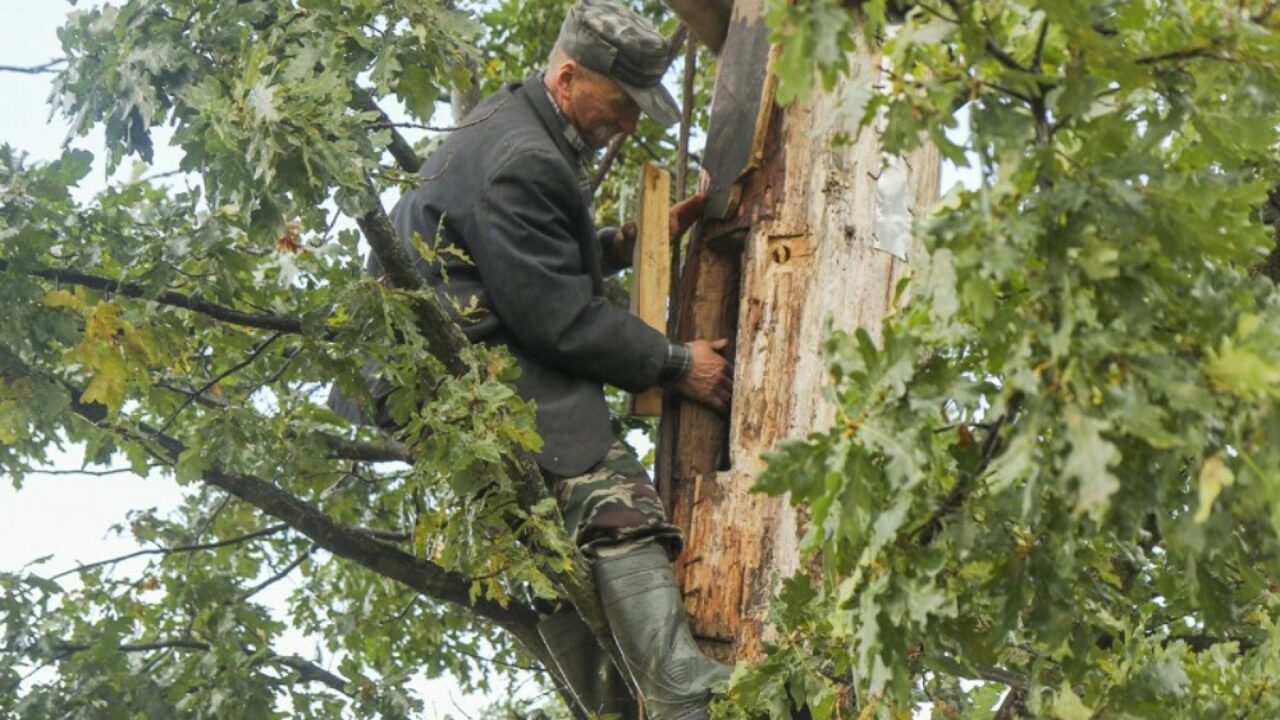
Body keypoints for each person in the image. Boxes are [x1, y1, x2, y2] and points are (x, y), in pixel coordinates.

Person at [331, 1, 734, 717]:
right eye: (622, 104)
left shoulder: (513, 119)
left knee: (550, 549)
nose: (631, 124)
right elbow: (558, 320)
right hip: (462, 365)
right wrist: (676, 364)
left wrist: (627, 244)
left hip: (431, 364)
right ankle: (680, 694)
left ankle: (612, 708)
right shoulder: (528, 158)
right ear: (571, 75)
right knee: (616, 506)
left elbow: (515, 259)